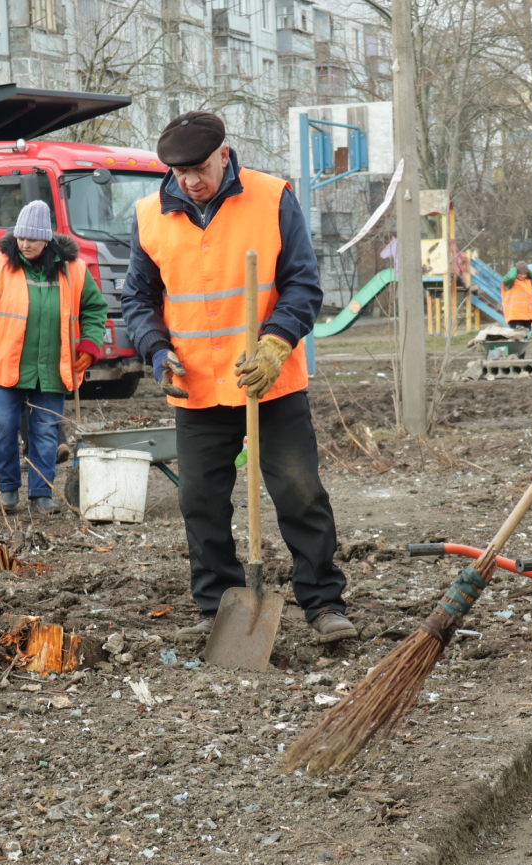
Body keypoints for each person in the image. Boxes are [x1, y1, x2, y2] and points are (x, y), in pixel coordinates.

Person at [121, 110, 357, 644]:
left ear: (224, 155)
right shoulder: (148, 215)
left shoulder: (273, 197)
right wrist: (157, 351)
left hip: (269, 380)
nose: (190, 182)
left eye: (199, 168)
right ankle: (218, 606)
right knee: (199, 499)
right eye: (179, 173)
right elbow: (138, 299)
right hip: (197, 386)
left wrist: (275, 343)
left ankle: (322, 602)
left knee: (299, 492)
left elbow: (302, 283)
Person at [0, 202, 107, 514]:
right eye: (21, 237)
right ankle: (7, 489)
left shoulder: (75, 270)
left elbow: (95, 310)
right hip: (8, 366)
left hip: (53, 368)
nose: (25, 244)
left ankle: (41, 495)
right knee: (3, 425)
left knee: (45, 431)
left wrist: (89, 345)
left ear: (47, 239)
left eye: (32, 238)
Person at [501, 259, 532, 355]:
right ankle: (514, 357)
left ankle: (521, 358)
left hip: (527, 317)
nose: (523, 276)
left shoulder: (528, 282)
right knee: (516, 339)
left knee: (524, 340)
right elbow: (510, 277)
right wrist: (514, 269)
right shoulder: (510, 283)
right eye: (521, 273)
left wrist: (527, 270)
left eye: (525, 274)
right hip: (515, 317)